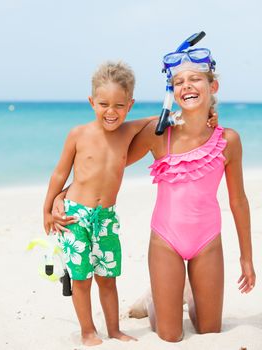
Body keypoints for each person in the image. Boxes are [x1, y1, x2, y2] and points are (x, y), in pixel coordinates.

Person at [46, 61, 218, 346]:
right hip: (75, 217)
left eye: (118, 106)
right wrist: (50, 204)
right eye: (103, 104)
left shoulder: (127, 133)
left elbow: (160, 119)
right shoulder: (78, 134)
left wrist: (208, 113)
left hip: (106, 218)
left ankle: (113, 330)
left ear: (129, 105)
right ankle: (88, 331)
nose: (111, 112)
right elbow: (60, 173)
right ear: (92, 102)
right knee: (81, 279)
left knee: (108, 278)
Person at [124, 46, 256, 342]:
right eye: (178, 82)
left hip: (207, 241)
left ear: (213, 86)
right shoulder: (159, 134)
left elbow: (238, 201)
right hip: (166, 241)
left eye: (195, 79)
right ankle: (153, 300)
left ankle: (187, 291)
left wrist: (246, 258)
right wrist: (65, 192)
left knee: (210, 330)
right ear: (172, 92)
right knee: (169, 336)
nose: (187, 86)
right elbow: (112, 164)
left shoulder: (228, 141)